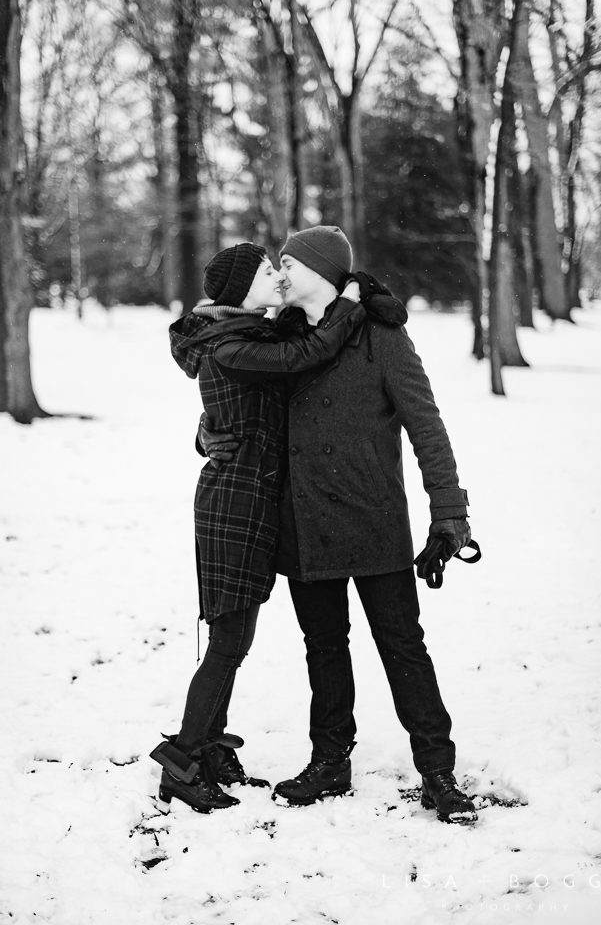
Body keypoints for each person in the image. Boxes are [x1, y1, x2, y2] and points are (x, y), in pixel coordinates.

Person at [200, 225, 478, 824]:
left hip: (373, 519)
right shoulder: (282, 340)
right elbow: (237, 407)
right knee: (323, 648)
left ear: (320, 273)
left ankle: (438, 771)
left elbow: (426, 426)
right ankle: (330, 762)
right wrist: (207, 435)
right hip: (303, 525)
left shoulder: (381, 336)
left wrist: (449, 511)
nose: (278, 273)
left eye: (287, 263)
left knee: (403, 648)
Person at [150, 242, 365, 814]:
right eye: (268, 270)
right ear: (243, 286)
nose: (277, 275)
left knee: (233, 639)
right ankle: (184, 758)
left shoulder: (245, 336)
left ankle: (213, 748)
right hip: (234, 504)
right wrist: (347, 304)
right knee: (228, 642)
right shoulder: (230, 343)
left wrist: (209, 431)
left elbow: (259, 395)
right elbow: (305, 356)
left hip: (249, 497)